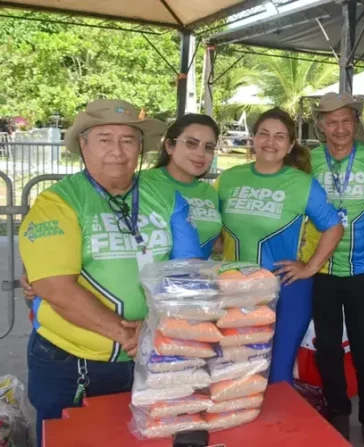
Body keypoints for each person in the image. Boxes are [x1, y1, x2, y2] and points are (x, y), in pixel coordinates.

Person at [18, 99, 203, 446]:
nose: (117, 151)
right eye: (104, 139)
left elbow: (187, 267)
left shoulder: (167, 196)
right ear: (83, 145)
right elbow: (55, 287)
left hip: (152, 354)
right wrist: (127, 334)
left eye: (128, 140)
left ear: (140, 148)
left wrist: (156, 333)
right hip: (71, 361)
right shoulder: (57, 202)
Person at [216, 107, 344, 385]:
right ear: (253, 138)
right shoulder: (228, 179)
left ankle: (281, 427)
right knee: (236, 369)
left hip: (286, 289)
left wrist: (310, 267)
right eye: (263, 134)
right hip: (236, 290)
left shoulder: (302, 184)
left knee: (277, 373)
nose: (269, 142)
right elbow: (213, 227)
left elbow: (334, 226)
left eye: (279, 136)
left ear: (289, 146)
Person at [301, 92, 364, 446]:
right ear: (321, 126)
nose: (339, 128)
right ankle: (338, 409)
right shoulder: (307, 161)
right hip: (320, 269)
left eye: (346, 120)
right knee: (327, 345)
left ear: (356, 123)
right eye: (331, 121)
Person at [143, 113, 222, 258]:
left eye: (209, 147)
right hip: (150, 277)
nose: (200, 153)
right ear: (169, 146)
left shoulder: (209, 192)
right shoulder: (143, 183)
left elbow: (217, 241)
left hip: (196, 277)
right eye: (191, 143)